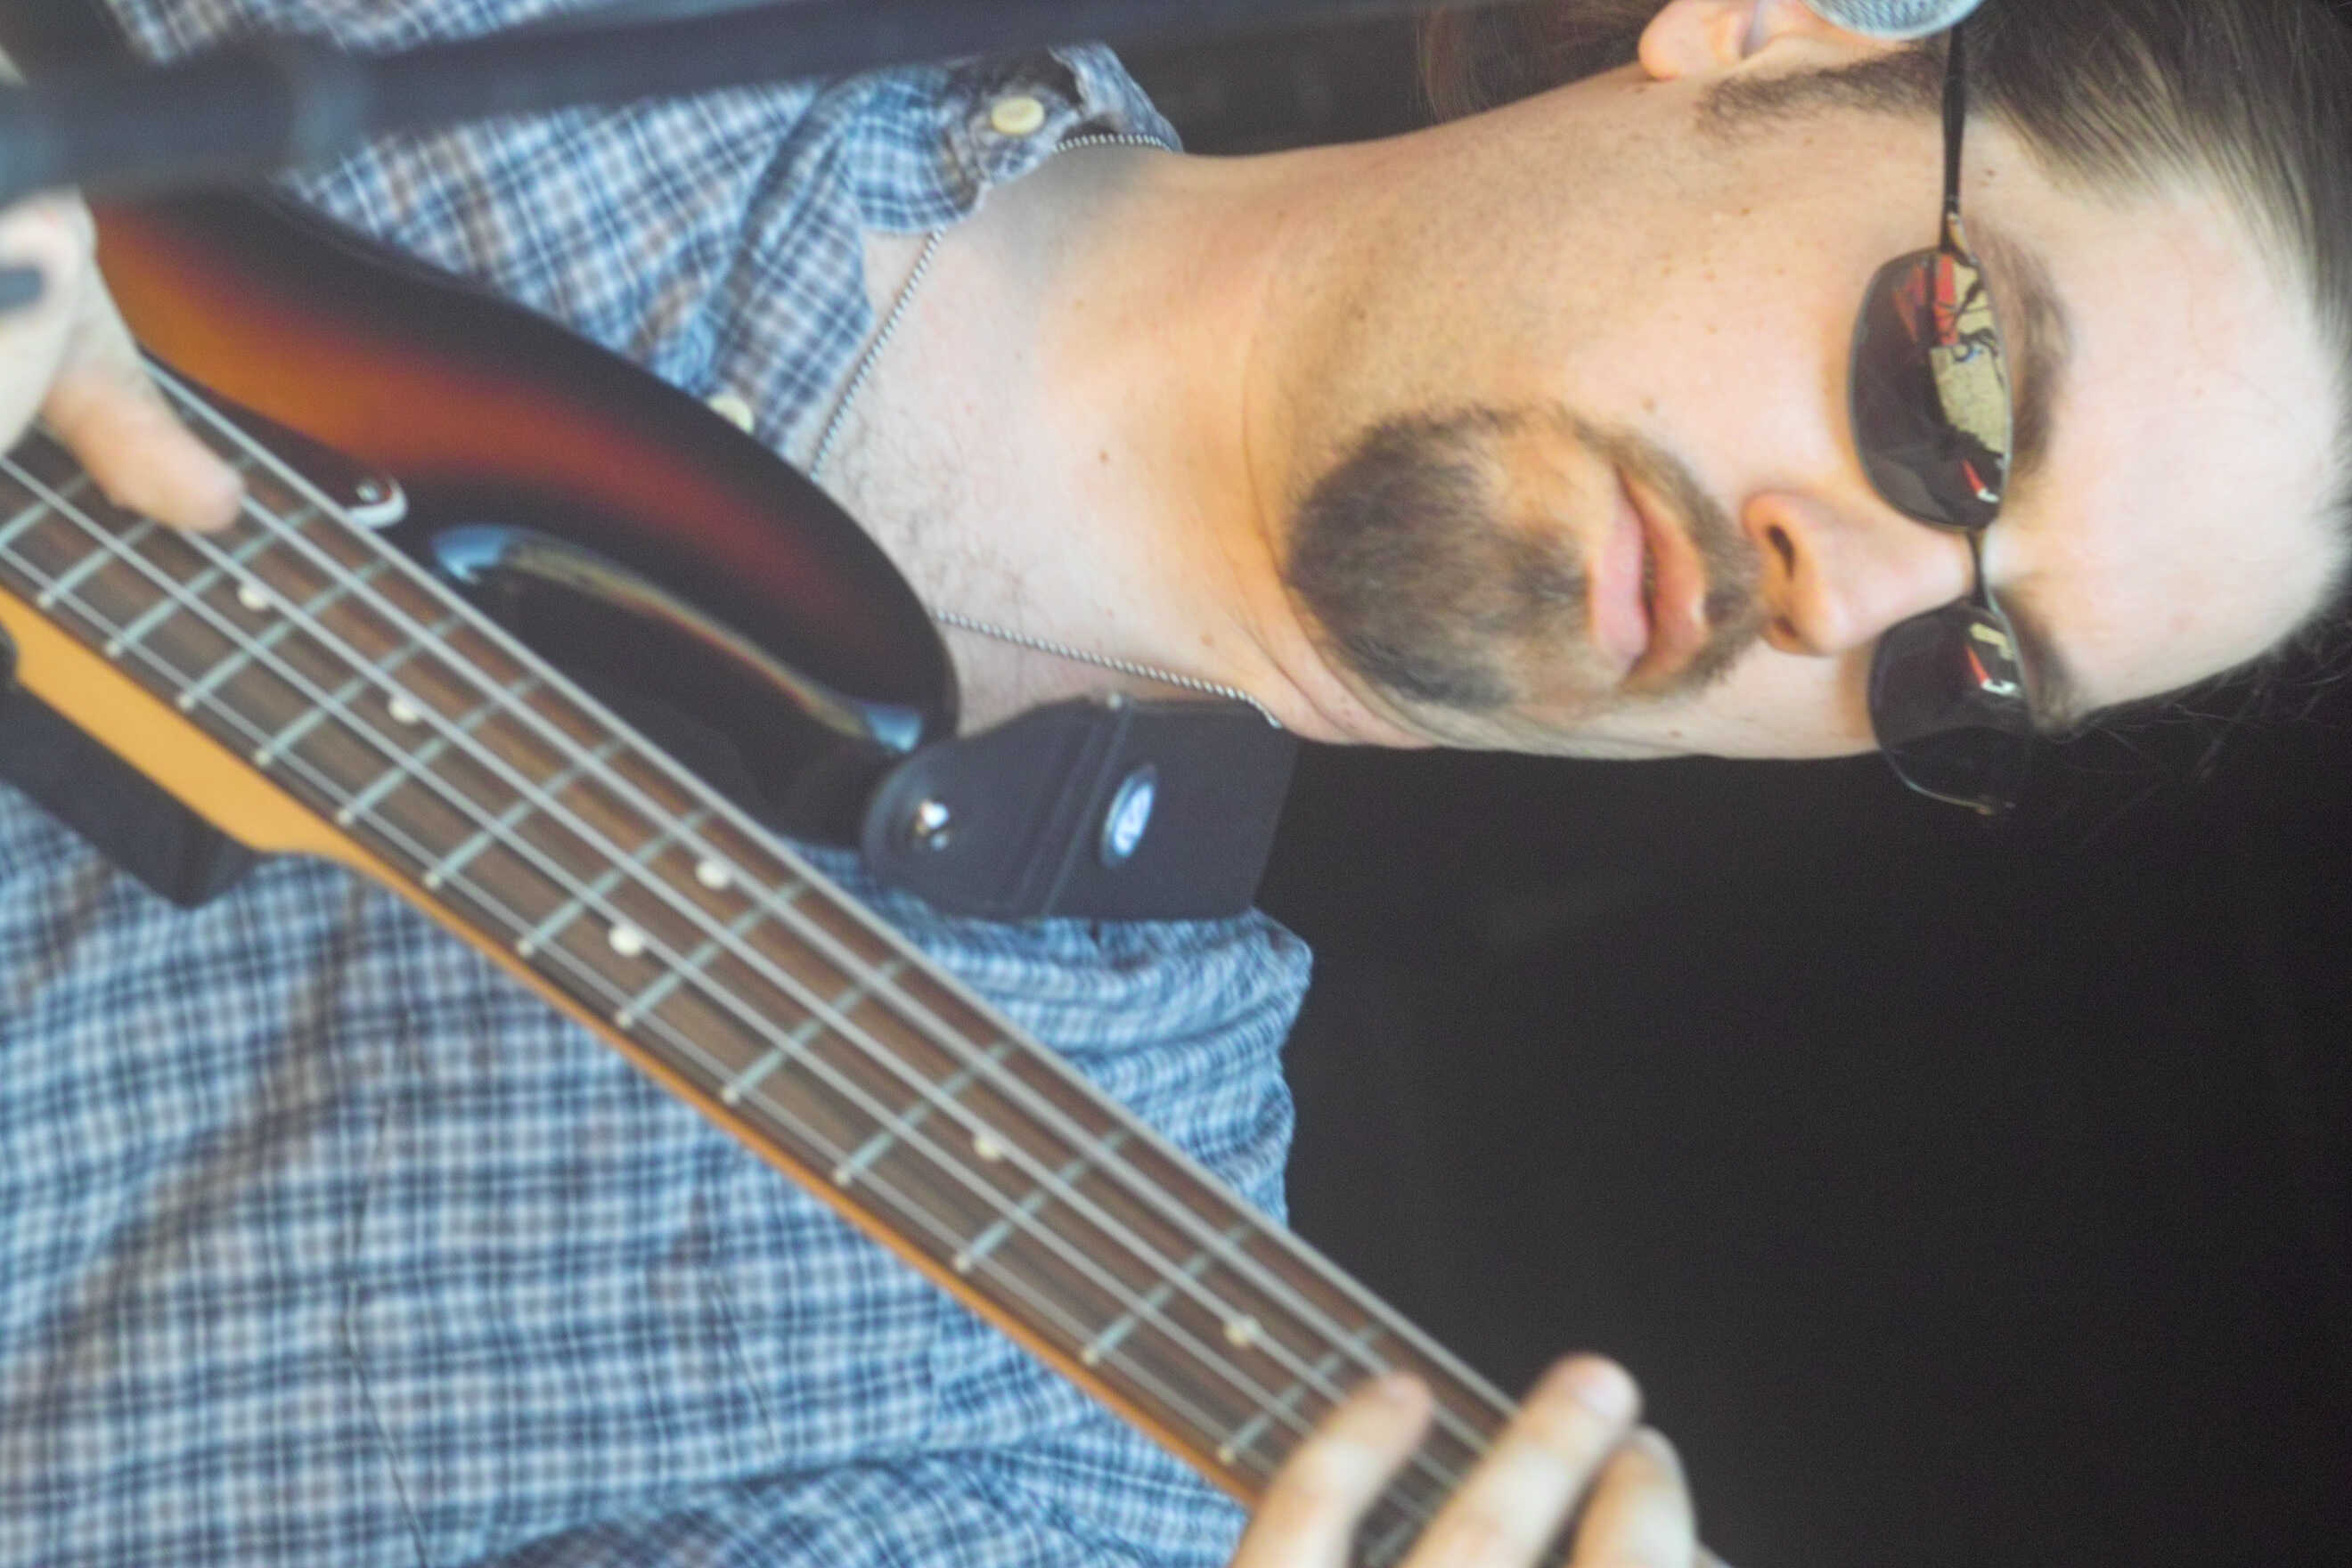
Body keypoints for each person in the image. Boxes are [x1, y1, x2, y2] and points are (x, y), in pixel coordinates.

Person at [1, 0, 2345, 1562]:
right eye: (1961, 397)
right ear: (1778, 29)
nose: (1848, 603)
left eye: (1967, 668)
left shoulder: (1072, 1444)